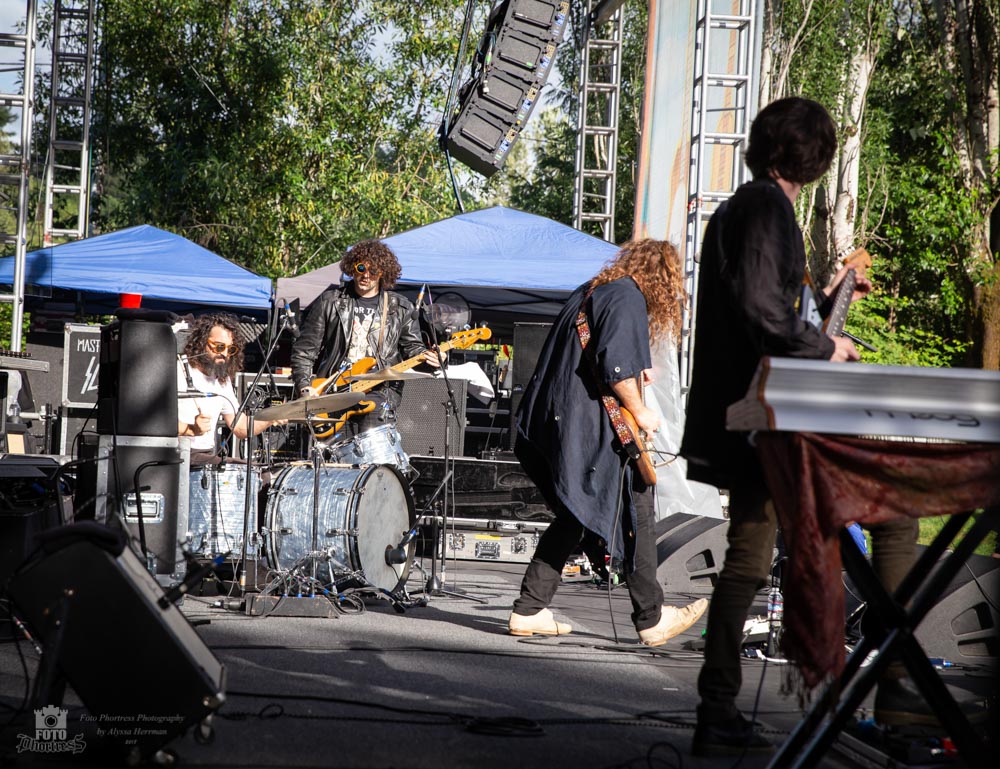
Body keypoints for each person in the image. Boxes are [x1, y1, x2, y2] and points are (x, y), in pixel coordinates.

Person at [680, 96, 920, 755]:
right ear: (814, 156)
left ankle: (718, 709)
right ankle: (902, 703)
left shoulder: (743, 209)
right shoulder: (767, 209)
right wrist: (827, 346)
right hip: (770, 421)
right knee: (894, 517)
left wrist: (828, 301)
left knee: (748, 557)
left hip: (753, 417)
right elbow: (764, 311)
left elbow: (766, 308)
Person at [507, 239, 708, 646]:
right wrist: (642, 410)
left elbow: (599, 355)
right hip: (587, 426)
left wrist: (637, 372)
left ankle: (528, 609)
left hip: (561, 422)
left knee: (575, 512)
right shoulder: (627, 296)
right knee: (639, 506)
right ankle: (651, 618)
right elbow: (615, 367)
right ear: (662, 277)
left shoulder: (593, 291)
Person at [290, 239, 441, 437]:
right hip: (334, 390)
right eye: (361, 268)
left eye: (374, 270)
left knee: (373, 451)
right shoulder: (330, 302)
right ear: (352, 268)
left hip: (379, 392)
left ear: (383, 272)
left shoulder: (399, 308)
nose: (366, 275)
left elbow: (413, 349)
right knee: (332, 455)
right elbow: (304, 351)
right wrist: (304, 388)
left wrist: (433, 360)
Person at [177, 312, 285, 463]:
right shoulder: (178, 370)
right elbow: (154, 424)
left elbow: (239, 427)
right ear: (201, 342)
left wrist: (270, 418)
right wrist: (190, 429)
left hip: (206, 454)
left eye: (231, 349)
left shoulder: (222, 379)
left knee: (260, 471)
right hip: (178, 453)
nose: (225, 354)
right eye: (219, 347)